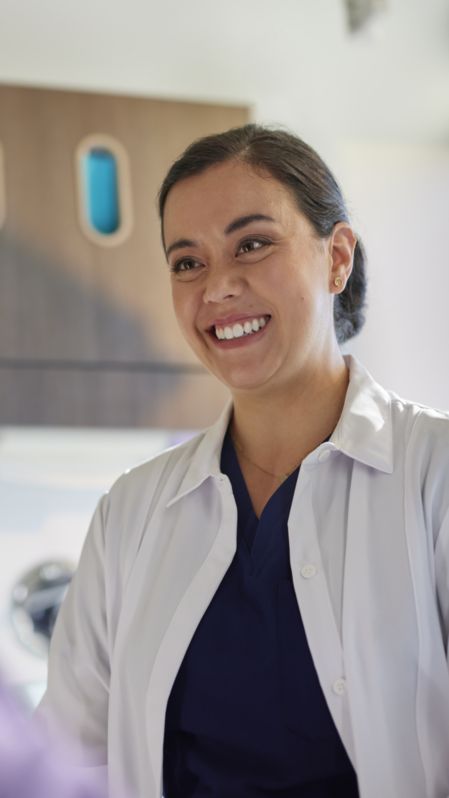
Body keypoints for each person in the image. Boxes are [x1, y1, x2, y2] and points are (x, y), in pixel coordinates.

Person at [38, 124, 449, 798]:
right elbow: (68, 760)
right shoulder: (131, 514)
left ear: (336, 257)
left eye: (252, 244)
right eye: (186, 261)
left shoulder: (431, 475)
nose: (218, 286)